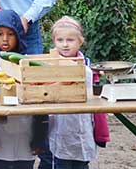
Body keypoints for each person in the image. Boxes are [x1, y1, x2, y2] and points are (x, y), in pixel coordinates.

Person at [0, 9, 47, 169]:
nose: (5, 39)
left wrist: (39, 138)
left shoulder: (28, 63)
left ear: (19, 34)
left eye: (10, 34)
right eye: (0, 34)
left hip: (26, 134)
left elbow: (40, 103)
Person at [40, 17, 109, 169]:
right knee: (58, 162)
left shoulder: (88, 65)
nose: (64, 44)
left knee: (81, 163)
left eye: (70, 40)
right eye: (60, 40)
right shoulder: (46, 64)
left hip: (83, 126)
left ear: (80, 41)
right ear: (54, 41)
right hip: (58, 127)